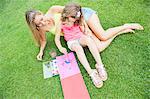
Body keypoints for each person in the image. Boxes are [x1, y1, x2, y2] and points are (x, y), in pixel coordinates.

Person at [25, 3, 143, 60]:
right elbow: (43, 40)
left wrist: (86, 28)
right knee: (99, 48)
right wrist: (41, 52)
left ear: (41, 13)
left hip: (83, 17)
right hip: (76, 29)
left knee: (103, 35)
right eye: (38, 24)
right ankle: (119, 32)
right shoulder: (41, 27)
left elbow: (76, 13)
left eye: (41, 19)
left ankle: (125, 26)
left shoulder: (53, 9)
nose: (42, 23)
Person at [55, 4, 107, 88]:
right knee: (78, 48)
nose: (76, 19)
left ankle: (99, 65)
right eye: (74, 17)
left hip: (80, 37)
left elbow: (83, 23)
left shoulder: (77, 19)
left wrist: (86, 29)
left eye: (77, 17)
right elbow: (57, 39)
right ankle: (91, 73)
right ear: (67, 15)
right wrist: (61, 47)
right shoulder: (61, 23)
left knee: (89, 40)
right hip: (72, 42)